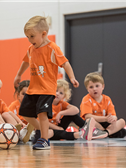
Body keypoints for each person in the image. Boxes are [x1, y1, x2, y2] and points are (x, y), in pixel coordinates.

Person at [13, 15, 79, 150]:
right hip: (33, 89)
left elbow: (65, 64)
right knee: (24, 112)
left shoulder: (52, 48)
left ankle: (44, 140)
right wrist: (19, 75)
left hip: (47, 89)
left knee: (42, 114)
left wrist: (71, 77)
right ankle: (43, 131)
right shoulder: (31, 49)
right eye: (27, 37)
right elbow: (25, 61)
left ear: (43, 34)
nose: (29, 40)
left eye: (32, 36)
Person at [80, 72, 126, 138]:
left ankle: (105, 133)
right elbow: (88, 117)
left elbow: (113, 116)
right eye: (91, 87)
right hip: (94, 123)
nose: (94, 89)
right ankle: (106, 133)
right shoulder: (86, 99)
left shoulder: (107, 99)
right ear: (87, 89)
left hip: (105, 123)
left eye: (97, 86)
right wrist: (105, 119)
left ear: (103, 86)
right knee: (89, 121)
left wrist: (113, 118)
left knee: (122, 121)